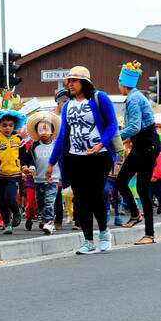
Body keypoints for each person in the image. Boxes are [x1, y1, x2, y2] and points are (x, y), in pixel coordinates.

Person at [48, 65, 119, 254]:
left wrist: (100, 145)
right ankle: (88, 241)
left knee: (96, 196)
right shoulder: (68, 106)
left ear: (84, 82)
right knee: (80, 200)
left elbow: (112, 125)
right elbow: (63, 135)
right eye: (68, 81)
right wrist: (51, 162)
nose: (70, 84)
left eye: (74, 81)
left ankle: (104, 232)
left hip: (98, 156)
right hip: (74, 158)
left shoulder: (99, 98)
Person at [111, 61, 161, 244]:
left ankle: (149, 234)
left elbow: (134, 126)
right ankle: (135, 215)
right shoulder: (136, 96)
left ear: (122, 83)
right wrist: (124, 138)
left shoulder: (133, 98)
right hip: (142, 145)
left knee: (141, 187)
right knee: (121, 182)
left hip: (148, 146)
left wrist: (115, 137)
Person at [21, 110, 61, 235]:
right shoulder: (34, 146)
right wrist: (29, 168)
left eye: (46, 129)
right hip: (38, 179)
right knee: (40, 203)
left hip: (52, 179)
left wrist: (62, 178)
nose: (43, 133)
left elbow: (62, 162)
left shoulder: (56, 146)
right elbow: (29, 159)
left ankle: (50, 222)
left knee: (49, 202)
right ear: (36, 132)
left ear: (52, 132)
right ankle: (44, 219)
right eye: (40, 130)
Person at [0, 109, 25, 235]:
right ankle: (7, 224)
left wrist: (25, 167)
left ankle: (17, 212)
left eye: (10, 125)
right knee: (1, 201)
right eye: (4, 125)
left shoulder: (19, 139)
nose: (8, 128)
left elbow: (23, 156)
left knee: (10, 198)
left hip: (14, 174)